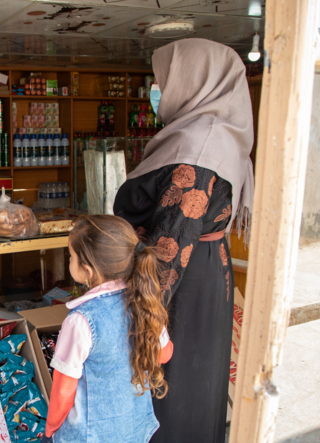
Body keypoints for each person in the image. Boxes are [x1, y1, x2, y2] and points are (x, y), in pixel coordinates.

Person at [113, 39, 255, 443]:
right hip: (206, 271)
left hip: (179, 287)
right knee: (199, 381)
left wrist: (138, 317)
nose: (157, 89)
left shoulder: (199, 148)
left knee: (174, 387)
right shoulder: (208, 133)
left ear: (195, 80)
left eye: (163, 80)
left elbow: (170, 247)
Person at [43, 215, 172, 443]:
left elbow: (63, 391)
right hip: (134, 428)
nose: (69, 261)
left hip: (90, 435)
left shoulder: (80, 321)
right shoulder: (146, 302)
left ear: (88, 270)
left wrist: (51, 429)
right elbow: (165, 353)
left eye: (71, 256)